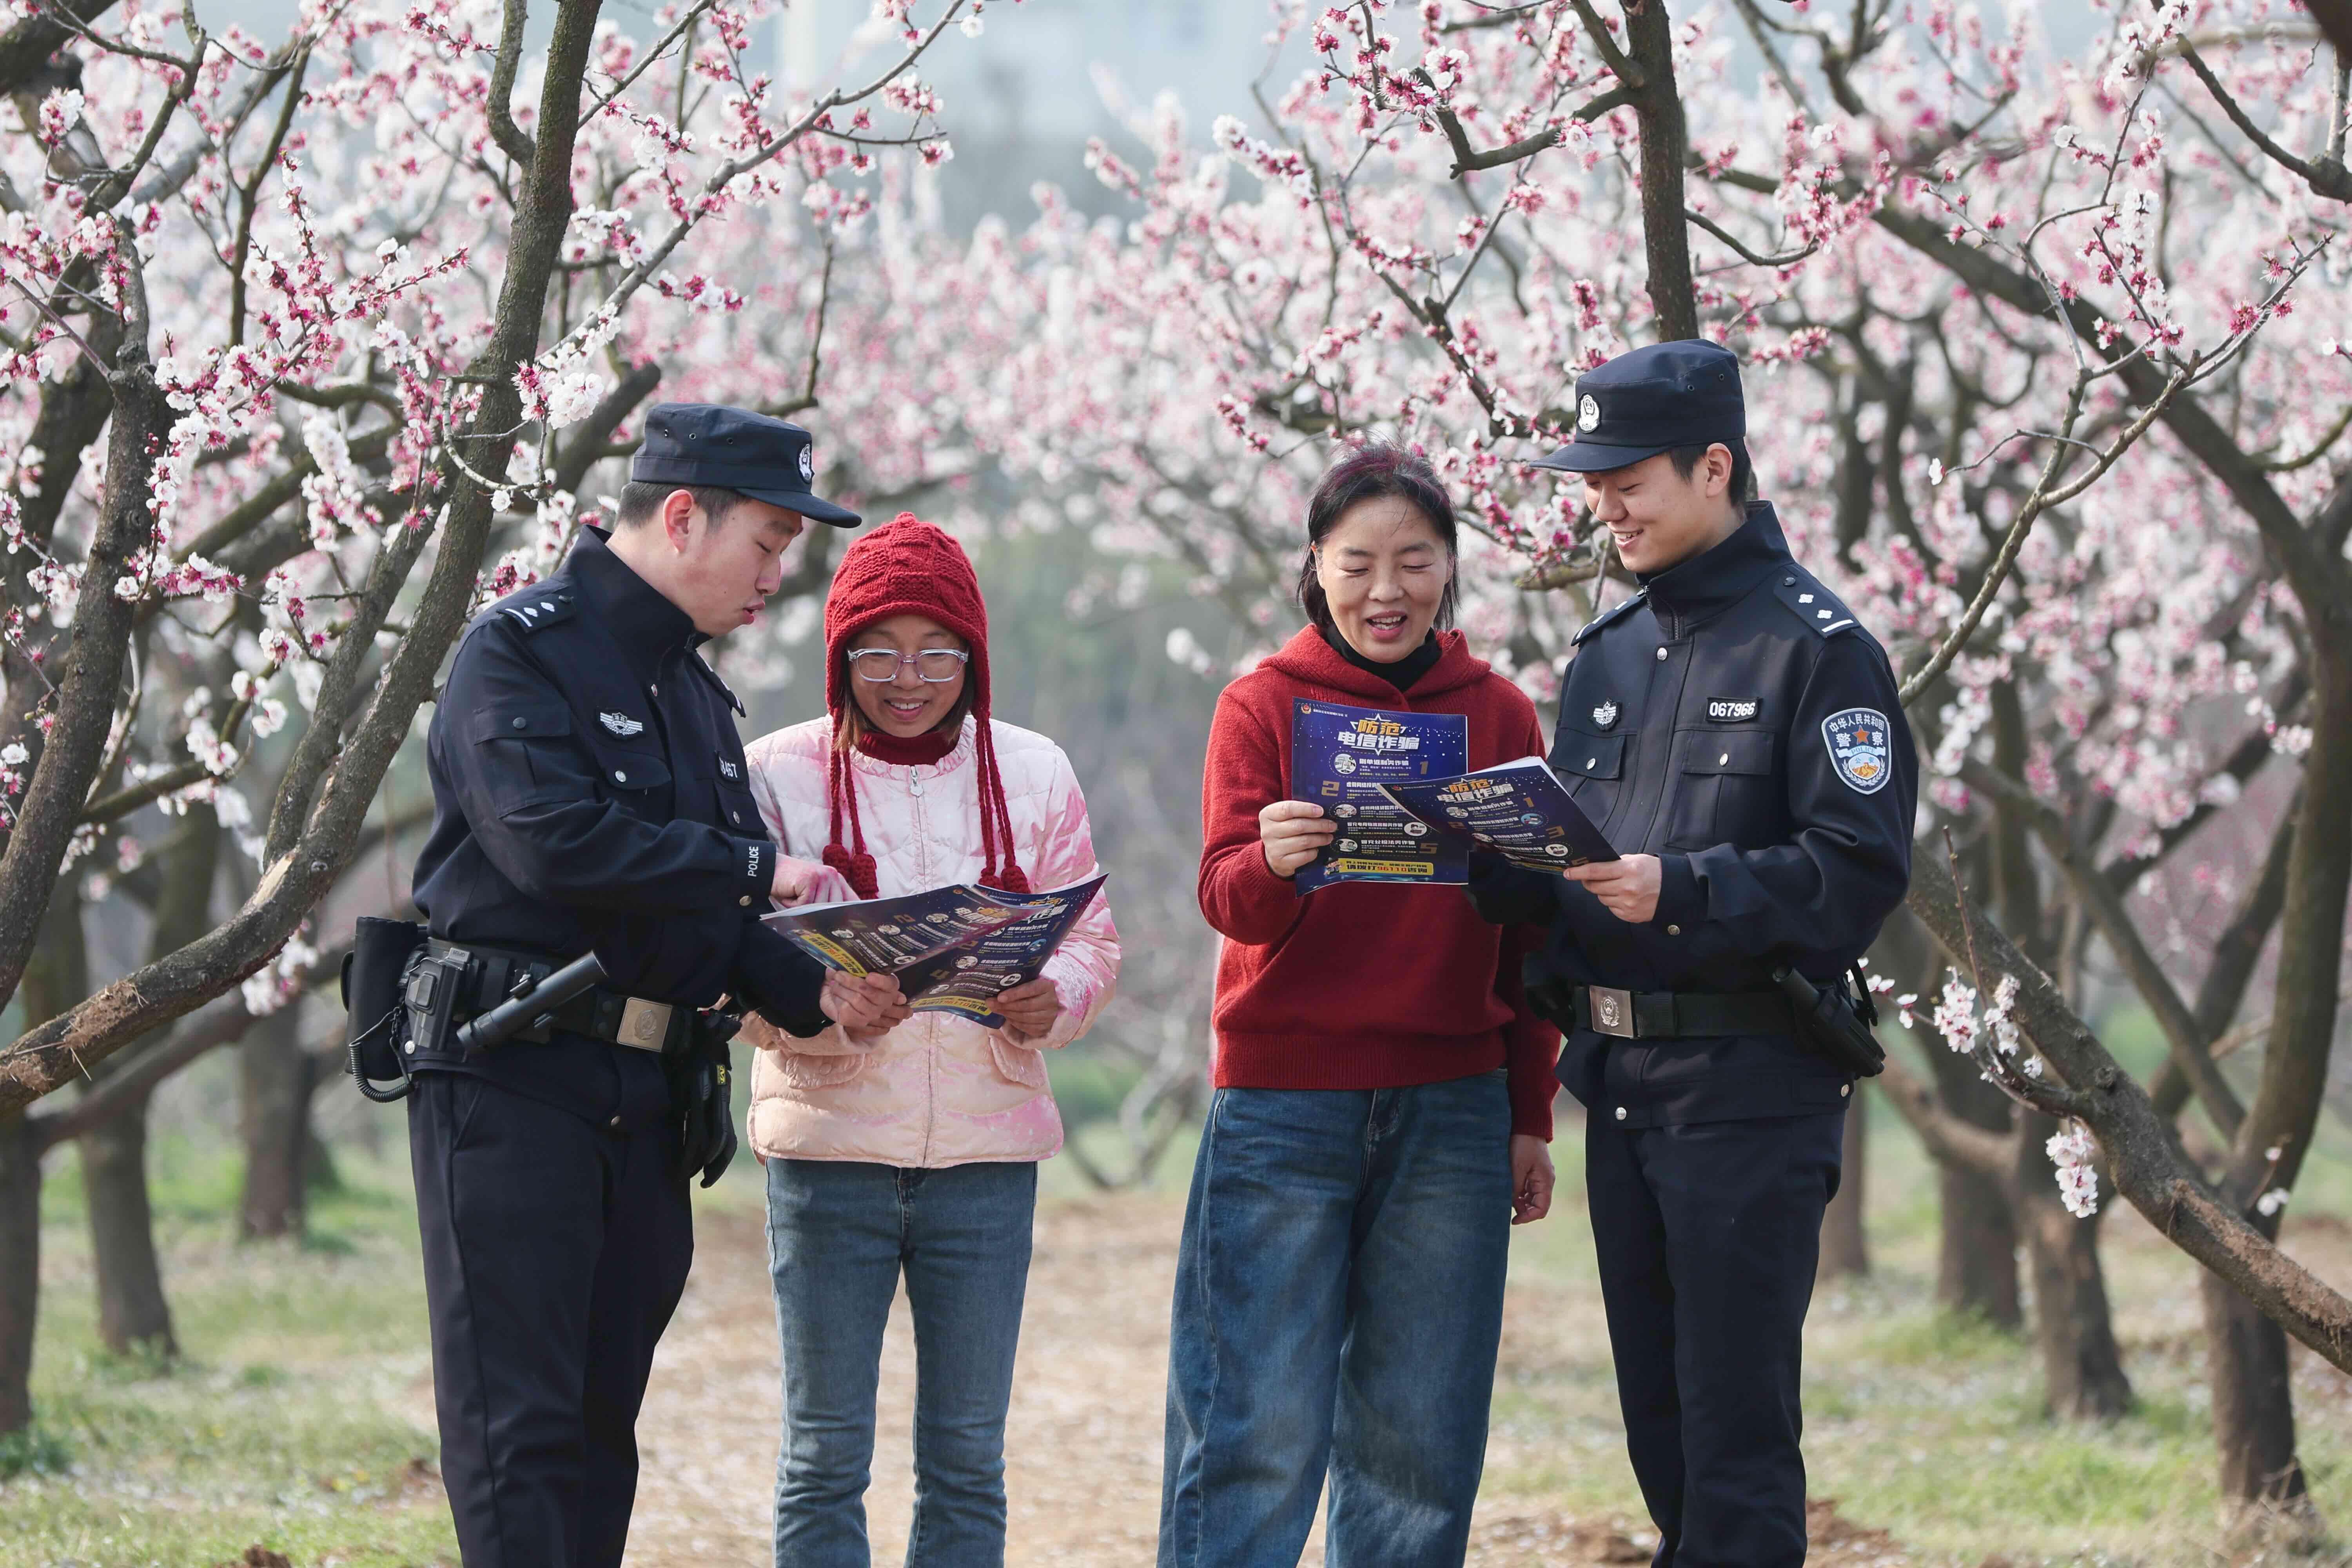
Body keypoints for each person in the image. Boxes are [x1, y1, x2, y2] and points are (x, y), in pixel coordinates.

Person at [405, 404, 906, 1568]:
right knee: (518, 1425)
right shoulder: (518, 648)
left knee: (599, 1422)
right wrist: (753, 865)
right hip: (512, 1073)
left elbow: (703, 914)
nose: (780, 574)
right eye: (770, 542)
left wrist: (810, 990)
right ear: (684, 517)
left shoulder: (691, 687)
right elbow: (550, 844)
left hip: (646, 1088)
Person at [1472, 340, 1918, 1568]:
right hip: (1621, 1092)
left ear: (1715, 466)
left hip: (1749, 1089)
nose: (1604, 506)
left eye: (1629, 481)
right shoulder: (1607, 651)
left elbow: (1857, 872)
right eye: (1594, 482)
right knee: (1662, 1439)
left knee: (1736, 1444)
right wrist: (1496, 859)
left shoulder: (1820, 650)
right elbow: (1582, 868)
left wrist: (1687, 889)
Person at [1159, 443, 1562, 1568]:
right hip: (1285, 1107)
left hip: (1454, 1107)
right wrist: (1274, 862)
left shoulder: (1500, 716)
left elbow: (1530, 941)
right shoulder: (1263, 707)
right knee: (1254, 1424)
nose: (1388, 590)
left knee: (1420, 1442)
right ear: (1316, 571)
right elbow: (1225, 901)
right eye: (1359, 563)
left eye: (1415, 561)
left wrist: (1529, 1113)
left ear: (1449, 572)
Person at [740, 512, 1120, 1568]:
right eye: (878, 652)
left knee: (966, 1456)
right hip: (828, 1156)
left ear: (974, 657)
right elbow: (731, 974)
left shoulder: (1037, 773)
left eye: (937, 652)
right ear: (839, 655)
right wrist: (821, 1007)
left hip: (987, 1161)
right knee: (823, 1455)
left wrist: (1058, 996)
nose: (909, 678)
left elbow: (1092, 935)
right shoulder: (774, 777)